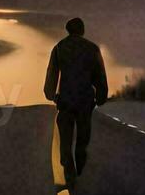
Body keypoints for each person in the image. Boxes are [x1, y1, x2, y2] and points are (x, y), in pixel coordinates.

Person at [43, 17, 108, 184]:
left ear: (68, 30)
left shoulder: (59, 48)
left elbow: (52, 75)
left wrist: (52, 95)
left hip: (65, 101)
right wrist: (100, 97)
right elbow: (99, 76)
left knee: (65, 140)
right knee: (83, 137)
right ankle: (79, 159)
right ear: (82, 30)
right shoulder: (92, 49)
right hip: (85, 101)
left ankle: (68, 167)